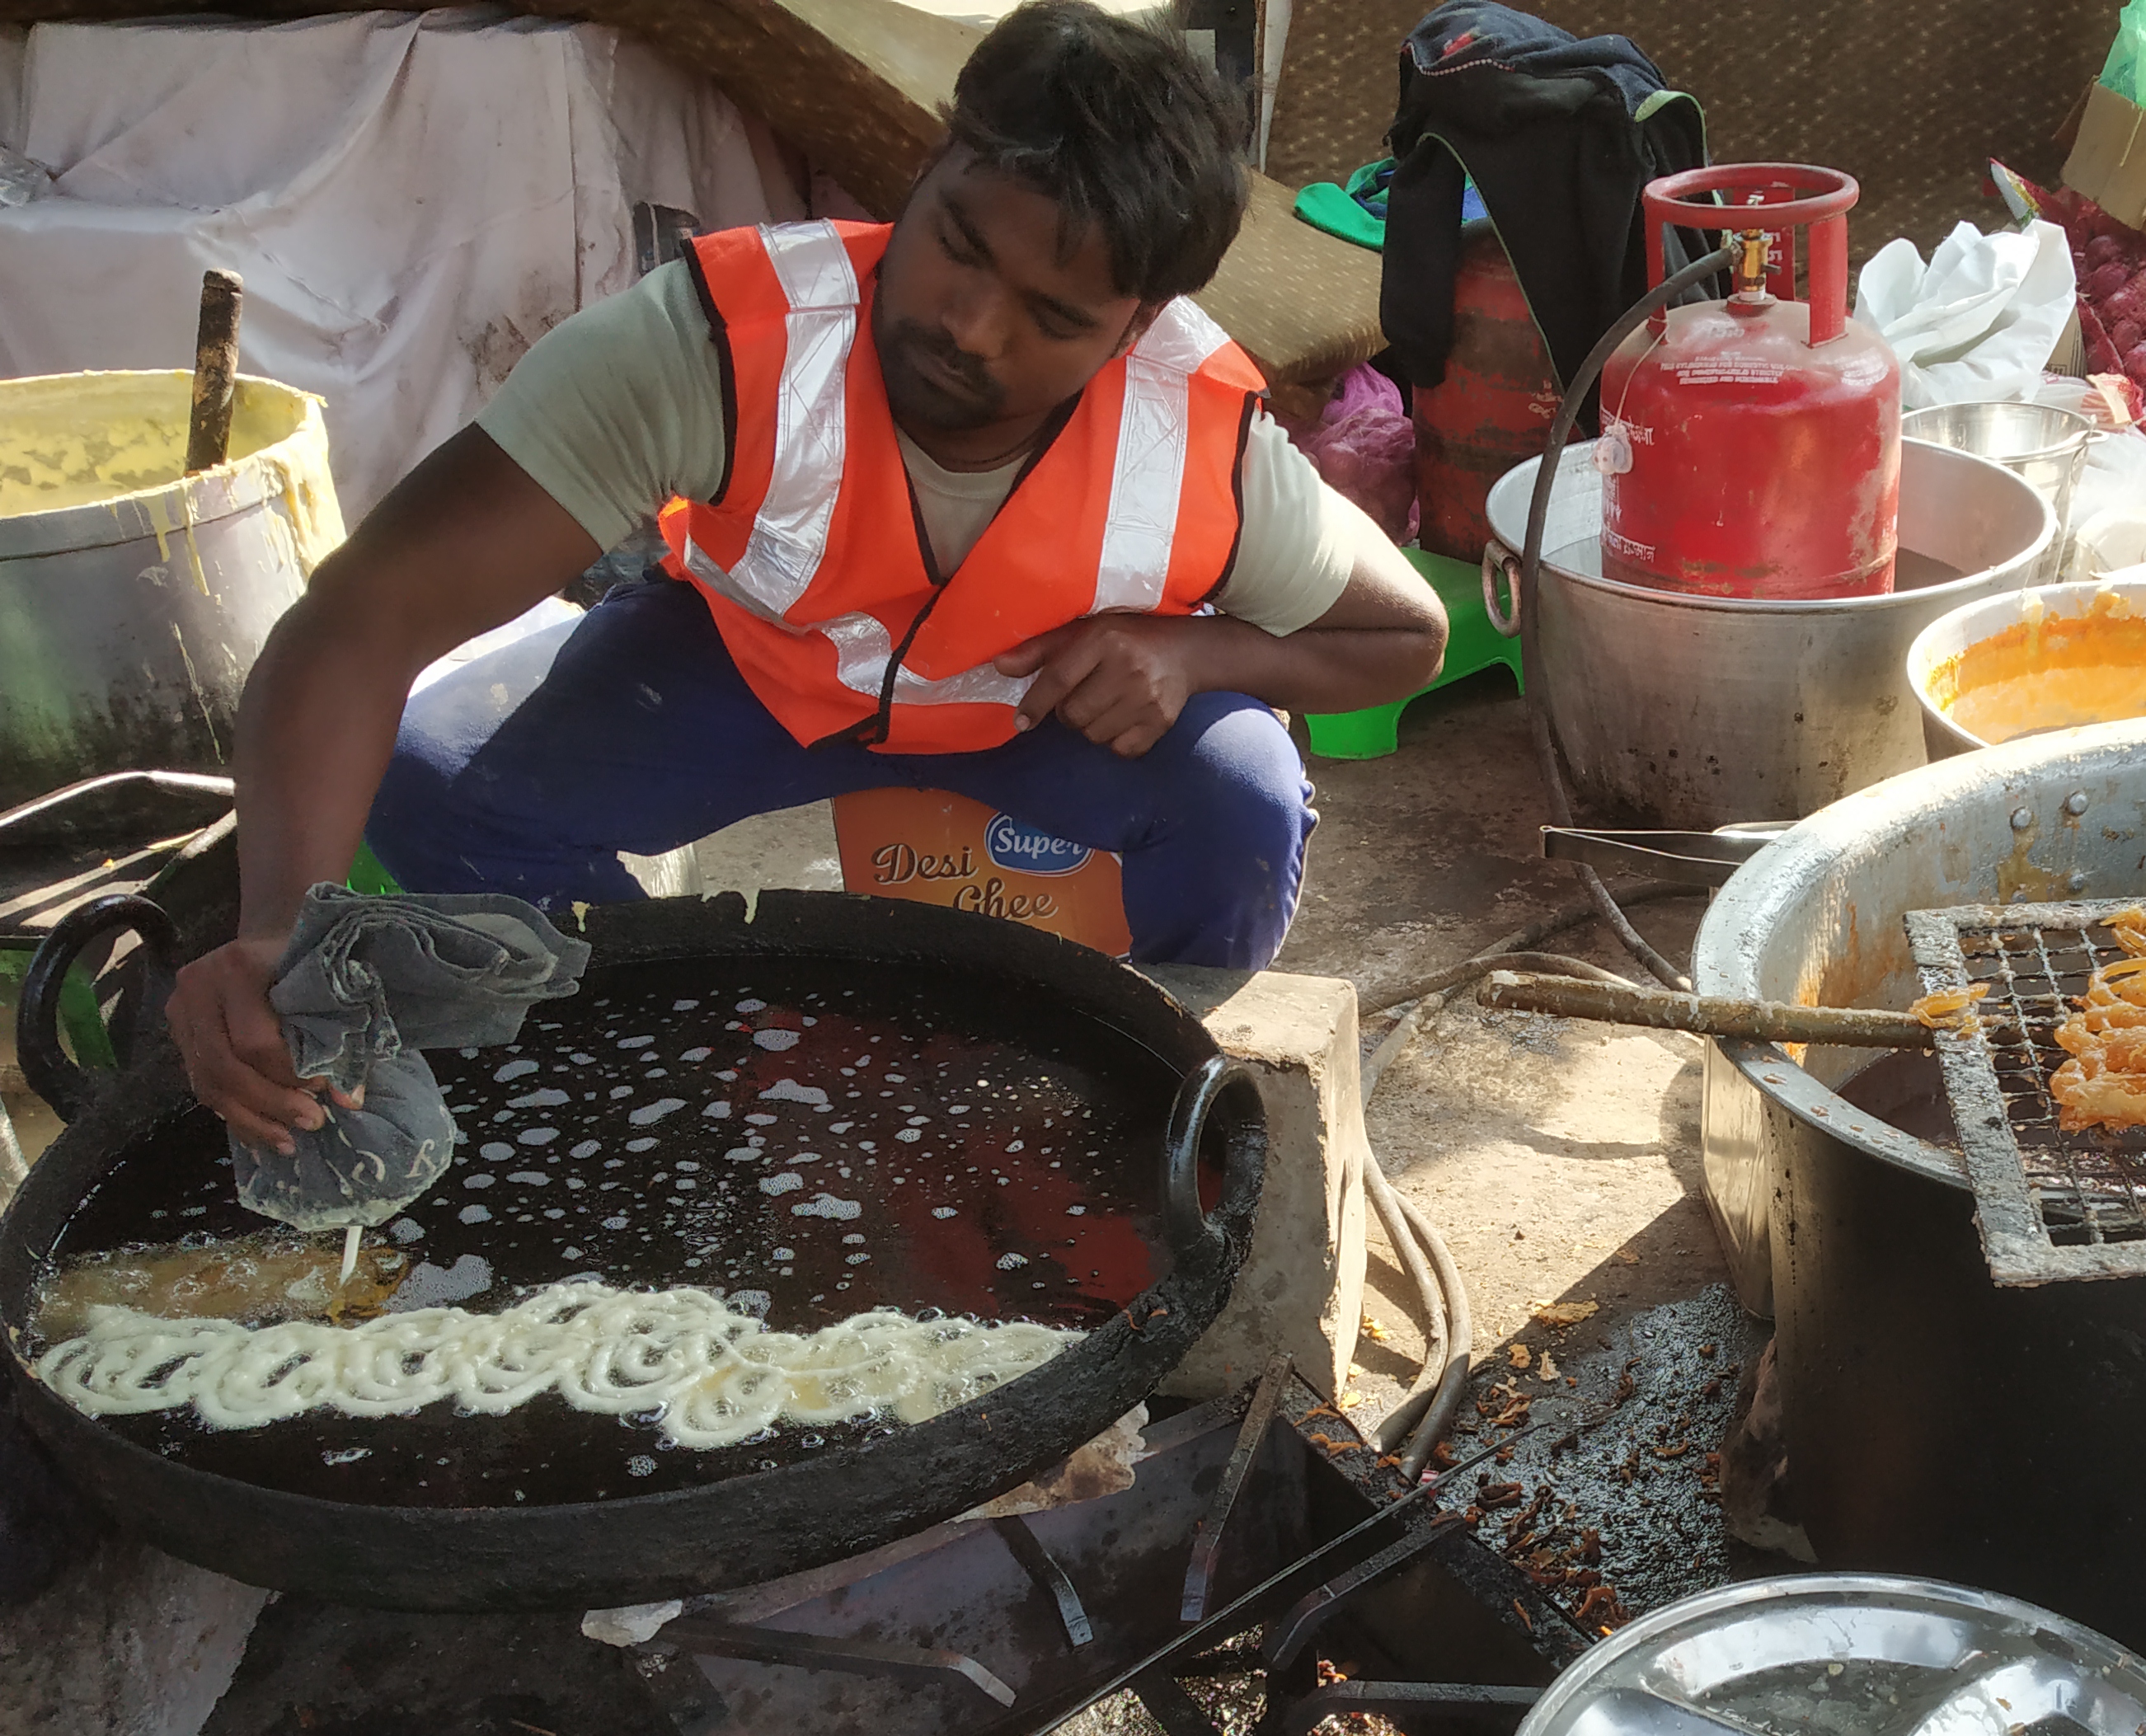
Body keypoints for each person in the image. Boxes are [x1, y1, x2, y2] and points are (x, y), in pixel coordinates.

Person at [173, 0, 1446, 1157]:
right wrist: (281, 921)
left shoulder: (1201, 441)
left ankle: (1134, 1104)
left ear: (1138, 325)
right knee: (429, 775)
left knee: (1241, 795)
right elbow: (361, 621)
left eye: (1054, 319)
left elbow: (1407, 636)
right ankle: (684, 1064)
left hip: (1025, 711)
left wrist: (1198, 652)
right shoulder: (714, 346)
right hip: (746, 673)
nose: (969, 325)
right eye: (956, 244)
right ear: (931, 160)